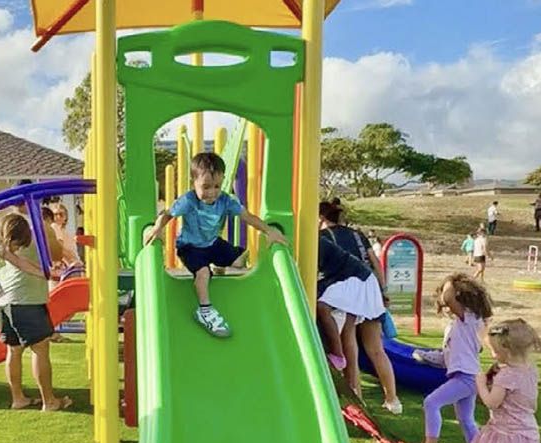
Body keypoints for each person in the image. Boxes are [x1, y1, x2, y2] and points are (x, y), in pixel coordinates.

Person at [143, 152, 286, 337]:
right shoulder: (188, 200)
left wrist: (269, 231)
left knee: (240, 260)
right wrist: (157, 228)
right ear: (193, 182)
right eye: (206, 186)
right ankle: (205, 311)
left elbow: (247, 217)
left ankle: (221, 264)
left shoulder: (225, 200)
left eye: (217, 186)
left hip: (213, 244)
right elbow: (168, 214)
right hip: (190, 247)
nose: (211, 192)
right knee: (203, 273)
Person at [318, 202, 401, 414]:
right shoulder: (357, 234)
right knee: (376, 348)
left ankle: (357, 398)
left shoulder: (324, 237)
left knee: (349, 343)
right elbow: (375, 262)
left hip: (349, 289)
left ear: (321, 218)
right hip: (369, 287)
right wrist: (383, 290)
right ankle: (392, 399)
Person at [407, 273, 493, 443]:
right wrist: (425, 356)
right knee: (466, 419)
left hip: (466, 376)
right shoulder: (458, 327)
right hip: (468, 376)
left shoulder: (469, 319)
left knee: (431, 403)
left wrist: (449, 284)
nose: (445, 304)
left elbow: (449, 298)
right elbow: (447, 357)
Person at [0, 213, 72, 412]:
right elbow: (56, 254)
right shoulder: (30, 238)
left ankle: (18, 399)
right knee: (40, 349)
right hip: (27, 301)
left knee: (14, 350)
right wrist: (48, 228)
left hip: (3, 302)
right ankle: (49, 401)